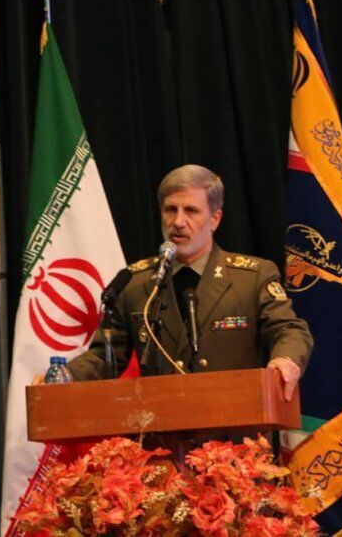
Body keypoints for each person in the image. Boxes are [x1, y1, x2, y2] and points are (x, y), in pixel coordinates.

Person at [60, 164, 313, 401]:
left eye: (191, 211)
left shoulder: (252, 277)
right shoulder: (135, 283)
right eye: (170, 209)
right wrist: (64, 376)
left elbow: (289, 329)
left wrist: (285, 359)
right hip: (161, 426)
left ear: (215, 219)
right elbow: (105, 357)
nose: (178, 222)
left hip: (234, 423)